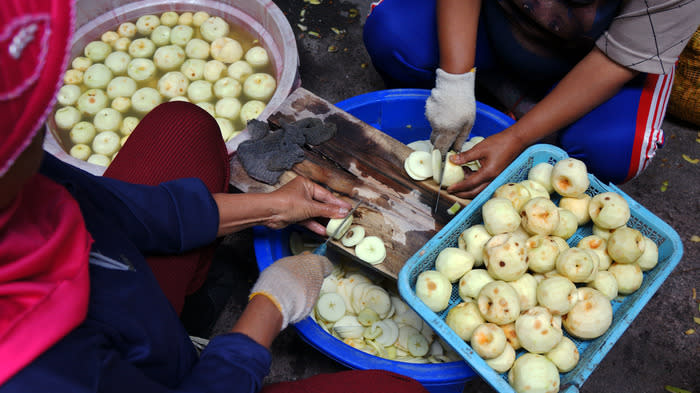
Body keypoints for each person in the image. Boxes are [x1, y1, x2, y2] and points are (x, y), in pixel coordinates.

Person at [0, 1, 429, 392]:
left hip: (122, 298)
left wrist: (275, 204)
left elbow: (129, 211)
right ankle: (198, 354)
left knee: (180, 127)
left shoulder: (19, 169)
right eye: (31, 109)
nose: (41, 115)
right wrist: (270, 305)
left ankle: (184, 317)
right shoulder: (35, 371)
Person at [363, 0, 700, 198]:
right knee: (393, 34)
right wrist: (454, 82)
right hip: (493, 22)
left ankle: (524, 109)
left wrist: (518, 137)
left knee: (616, 149)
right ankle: (496, 87)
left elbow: (618, 60)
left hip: (599, 58)